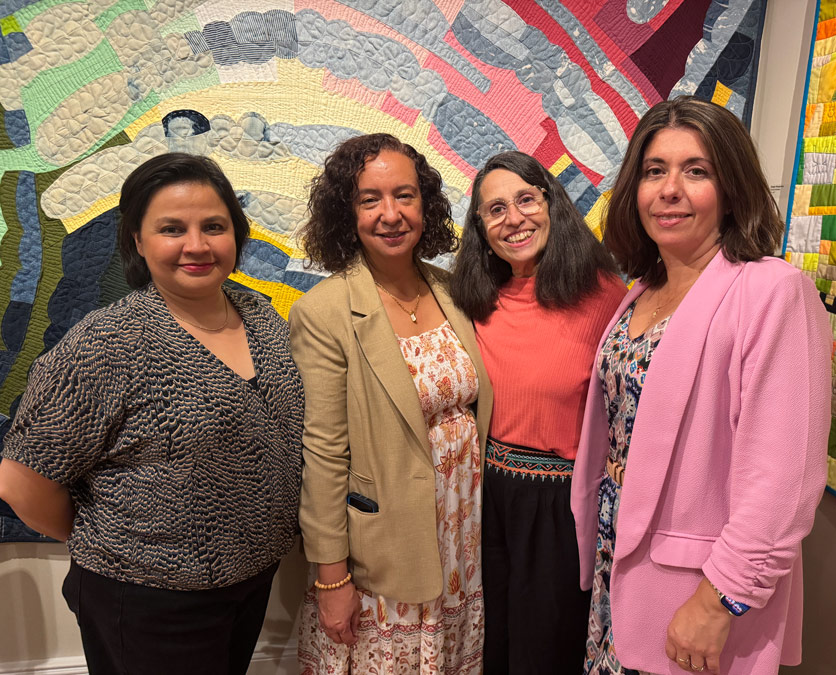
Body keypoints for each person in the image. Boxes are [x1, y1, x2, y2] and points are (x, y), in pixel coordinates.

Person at [0, 153, 305, 675]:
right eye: (172, 229)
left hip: (251, 579)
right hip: (148, 599)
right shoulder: (106, 344)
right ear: (138, 241)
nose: (197, 245)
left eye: (214, 226)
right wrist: (117, 542)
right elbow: (21, 483)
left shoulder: (262, 317)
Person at [571, 96, 832, 675]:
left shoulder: (773, 292)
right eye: (654, 171)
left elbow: (785, 480)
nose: (670, 190)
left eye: (696, 171)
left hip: (698, 591)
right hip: (620, 563)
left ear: (731, 188)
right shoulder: (643, 290)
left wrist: (721, 599)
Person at [291, 133, 493, 673]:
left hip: (464, 533)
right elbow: (323, 454)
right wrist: (331, 577)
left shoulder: (453, 290)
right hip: (386, 548)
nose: (391, 214)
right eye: (370, 199)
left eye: (405, 195)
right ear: (347, 214)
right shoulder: (325, 312)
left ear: (425, 204)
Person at [449, 151, 626, 674]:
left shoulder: (603, 295)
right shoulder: (474, 299)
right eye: (495, 209)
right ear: (481, 228)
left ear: (551, 203)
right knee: (490, 643)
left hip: (560, 504)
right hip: (485, 497)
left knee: (544, 651)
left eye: (525, 199)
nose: (514, 219)